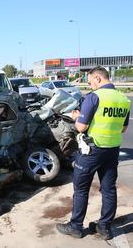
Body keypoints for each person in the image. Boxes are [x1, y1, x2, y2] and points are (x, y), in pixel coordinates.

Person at [56, 66, 131, 240]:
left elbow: (81, 127)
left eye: (90, 82)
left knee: (81, 189)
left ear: (98, 78)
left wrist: (77, 117)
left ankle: (75, 227)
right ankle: (104, 227)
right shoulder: (123, 99)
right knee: (109, 189)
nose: (90, 86)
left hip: (92, 150)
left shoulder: (94, 97)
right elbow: (124, 128)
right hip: (112, 151)